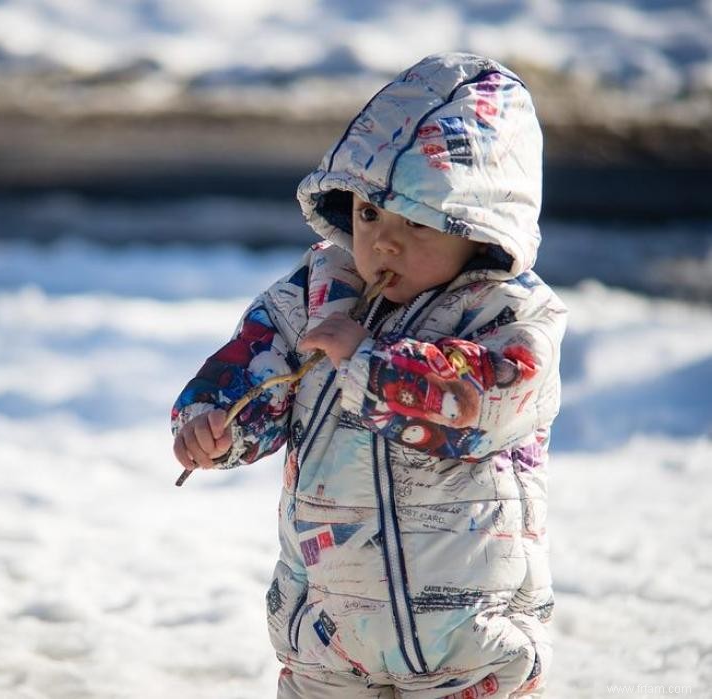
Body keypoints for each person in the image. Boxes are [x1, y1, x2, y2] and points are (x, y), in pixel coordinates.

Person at [170, 52, 567, 699]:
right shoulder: (320, 290)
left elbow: (484, 402)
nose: (384, 243)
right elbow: (256, 359)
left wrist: (370, 363)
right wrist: (216, 419)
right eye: (369, 214)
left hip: (465, 637)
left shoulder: (510, 315)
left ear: (480, 223)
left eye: (417, 223)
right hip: (328, 631)